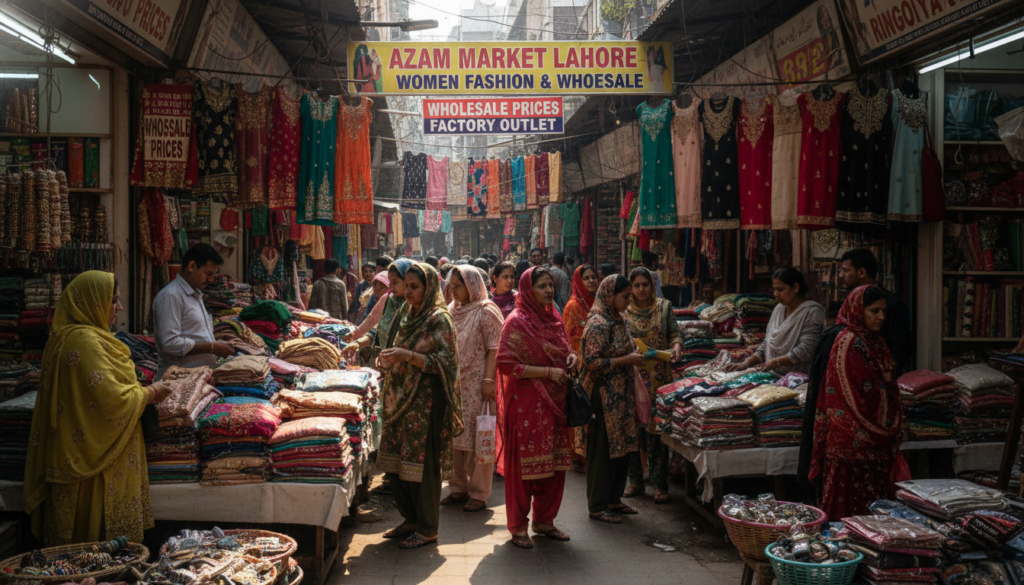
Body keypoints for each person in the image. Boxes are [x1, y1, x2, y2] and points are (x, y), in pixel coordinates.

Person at [25, 271, 173, 545]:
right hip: (92, 458)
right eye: (113, 300)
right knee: (91, 546)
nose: (118, 307)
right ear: (92, 303)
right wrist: (151, 393)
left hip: (96, 449)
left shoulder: (83, 337)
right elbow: (110, 401)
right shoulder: (83, 342)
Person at [377, 263, 463, 549]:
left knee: (422, 466)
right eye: (407, 286)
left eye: (415, 287)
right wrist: (389, 358)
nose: (409, 291)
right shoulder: (405, 311)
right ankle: (410, 519)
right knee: (396, 464)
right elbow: (397, 343)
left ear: (428, 287)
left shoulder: (439, 319)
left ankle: (428, 529)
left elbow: (447, 364)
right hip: (398, 399)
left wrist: (408, 356)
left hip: (426, 403)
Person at [496, 267, 579, 549]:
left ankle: (545, 521)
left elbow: (565, 345)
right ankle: (518, 526)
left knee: (554, 467)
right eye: (541, 286)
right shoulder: (516, 322)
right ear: (529, 290)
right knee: (524, 470)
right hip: (527, 405)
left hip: (556, 403)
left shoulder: (553, 316)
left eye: (550, 286)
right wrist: (546, 373)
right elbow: (505, 364)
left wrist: (570, 356)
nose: (547, 291)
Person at [809, 285, 902, 519]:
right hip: (850, 447)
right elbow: (853, 395)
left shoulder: (875, 342)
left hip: (875, 447)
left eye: (883, 311)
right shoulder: (849, 342)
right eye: (874, 311)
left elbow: (886, 385)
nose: (881, 317)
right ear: (858, 311)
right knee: (848, 514)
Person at [581, 275, 644, 524]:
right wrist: (624, 361)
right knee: (602, 450)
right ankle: (597, 505)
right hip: (603, 396)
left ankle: (614, 499)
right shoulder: (598, 322)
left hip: (621, 395)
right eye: (625, 296)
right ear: (610, 295)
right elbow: (591, 361)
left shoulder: (618, 318)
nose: (629, 301)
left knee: (623, 446)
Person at [442, 265, 503, 512]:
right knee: (454, 437)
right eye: (452, 286)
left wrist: (488, 381)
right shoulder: (451, 310)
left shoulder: (486, 311)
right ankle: (457, 488)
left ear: (472, 286)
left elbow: (495, 347)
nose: (454, 291)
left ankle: (479, 492)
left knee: (480, 437)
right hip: (455, 385)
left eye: (459, 286)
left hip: (478, 385)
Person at [623, 267, 683, 503]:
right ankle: (636, 481)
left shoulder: (664, 307)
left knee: (657, 431)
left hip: (660, 379)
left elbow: (675, 334)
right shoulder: (624, 310)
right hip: (634, 378)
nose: (640, 290)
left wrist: (677, 346)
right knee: (634, 431)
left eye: (645, 285)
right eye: (636, 285)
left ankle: (660, 484)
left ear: (652, 285)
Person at [153, 243, 232, 379]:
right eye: (208, 273)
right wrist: (211, 347)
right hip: (178, 380)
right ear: (191, 266)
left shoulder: (195, 294)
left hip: (197, 377)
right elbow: (170, 344)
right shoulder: (172, 296)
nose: (211, 280)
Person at [728, 267, 825, 375]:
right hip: (774, 376)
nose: (775, 294)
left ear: (796, 287)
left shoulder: (812, 312)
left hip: (800, 379)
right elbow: (767, 343)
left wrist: (775, 362)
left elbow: (806, 350)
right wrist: (746, 363)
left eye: (780, 289)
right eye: (774, 289)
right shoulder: (779, 309)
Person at [839, 249, 912, 375]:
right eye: (875, 311)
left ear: (861, 272)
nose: (841, 275)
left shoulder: (893, 304)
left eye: (846, 270)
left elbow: (899, 351)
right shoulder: (850, 303)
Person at [561, 264, 600, 472]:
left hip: (598, 366)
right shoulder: (573, 306)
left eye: (594, 277)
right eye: (586, 278)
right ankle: (578, 456)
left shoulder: (600, 303)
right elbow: (569, 339)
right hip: (581, 367)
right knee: (581, 410)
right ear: (578, 281)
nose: (592, 281)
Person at [345, 260, 411, 363]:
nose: (391, 286)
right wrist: (358, 342)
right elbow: (379, 328)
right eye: (390, 282)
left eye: (395, 282)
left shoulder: (414, 306)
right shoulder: (390, 300)